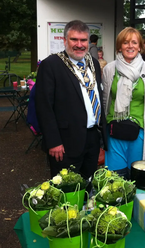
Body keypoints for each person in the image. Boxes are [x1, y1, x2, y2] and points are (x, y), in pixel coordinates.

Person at [36, 20, 107, 179]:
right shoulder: (51, 65)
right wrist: (53, 141)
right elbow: (43, 106)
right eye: (74, 39)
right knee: (66, 190)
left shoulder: (93, 63)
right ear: (64, 40)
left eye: (83, 40)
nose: (79, 44)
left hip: (92, 138)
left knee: (88, 184)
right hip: (65, 142)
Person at [102, 27, 145, 179]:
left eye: (134, 42)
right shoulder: (109, 69)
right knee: (115, 179)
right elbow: (104, 103)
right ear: (119, 47)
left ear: (140, 47)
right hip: (114, 132)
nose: (130, 46)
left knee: (137, 178)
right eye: (126, 42)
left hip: (140, 133)